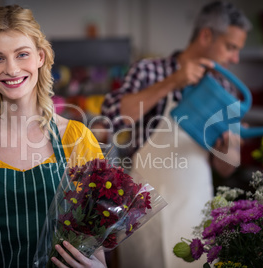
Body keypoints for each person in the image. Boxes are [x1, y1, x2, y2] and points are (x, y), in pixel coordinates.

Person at [0, 5, 106, 268]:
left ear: (40, 56)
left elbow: (95, 249)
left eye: (22, 54)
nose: (12, 70)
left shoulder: (77, 138)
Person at [101, 1, 251, 267]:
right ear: (206, 35)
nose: (235, 58)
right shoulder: (148, 70)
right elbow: (114, 117)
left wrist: (230, 148)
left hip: (196, 209)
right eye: (231, 47)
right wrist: (174, 82)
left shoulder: (226, 89)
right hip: (144, 210)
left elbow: (226, 169)